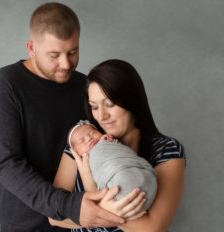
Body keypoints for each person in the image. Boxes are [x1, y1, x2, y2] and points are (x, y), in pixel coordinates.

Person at [0, 3, 142, 232]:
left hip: (86, 225)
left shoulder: (84, 86)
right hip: (30, 227)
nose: (66, 64)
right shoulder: (5, 86)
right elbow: (8, 165)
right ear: (31, 48)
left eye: (73, 52)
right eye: (54, 55)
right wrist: (70, 206)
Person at [50, 59, 186, 232]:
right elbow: (53, 215)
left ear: (131, 100)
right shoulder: (82, 144)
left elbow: (152, 228)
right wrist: (100, 213)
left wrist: (100, 208)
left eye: (109, 104)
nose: (101, 116)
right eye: (94, 106)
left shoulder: (167, 150)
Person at [67, 119, 157, 209]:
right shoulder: (83, 162)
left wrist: (110, 142)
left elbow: (121, 152)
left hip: (139, 174)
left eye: (92, 133)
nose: (89, 138)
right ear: (76, 152)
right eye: (81, 141)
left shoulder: (108, 142)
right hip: (117, 190)